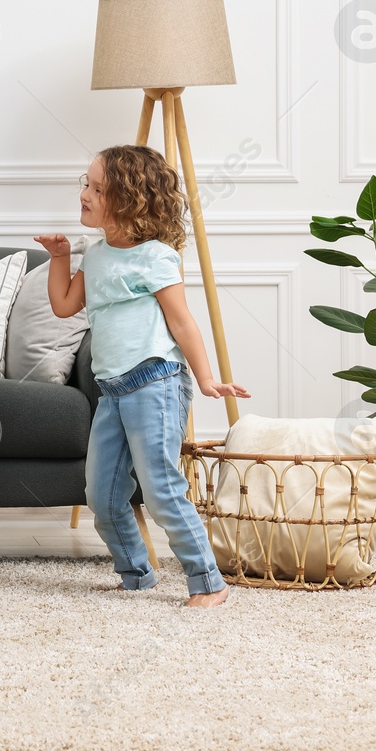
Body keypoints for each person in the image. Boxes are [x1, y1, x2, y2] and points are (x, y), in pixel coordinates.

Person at [34, 145, 248, 608]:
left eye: (96, 188)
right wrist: (60, 256)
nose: (84, 194)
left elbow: (183, 322)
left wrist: (207, 378)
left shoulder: (156, 257)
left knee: (162, 489)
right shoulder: (95, 254)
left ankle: (208, 581)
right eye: (85, 184)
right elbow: (65, 306)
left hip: (155, 382)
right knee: (102, 495)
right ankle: (137, 575)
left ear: (129, 200)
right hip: (112, 391)